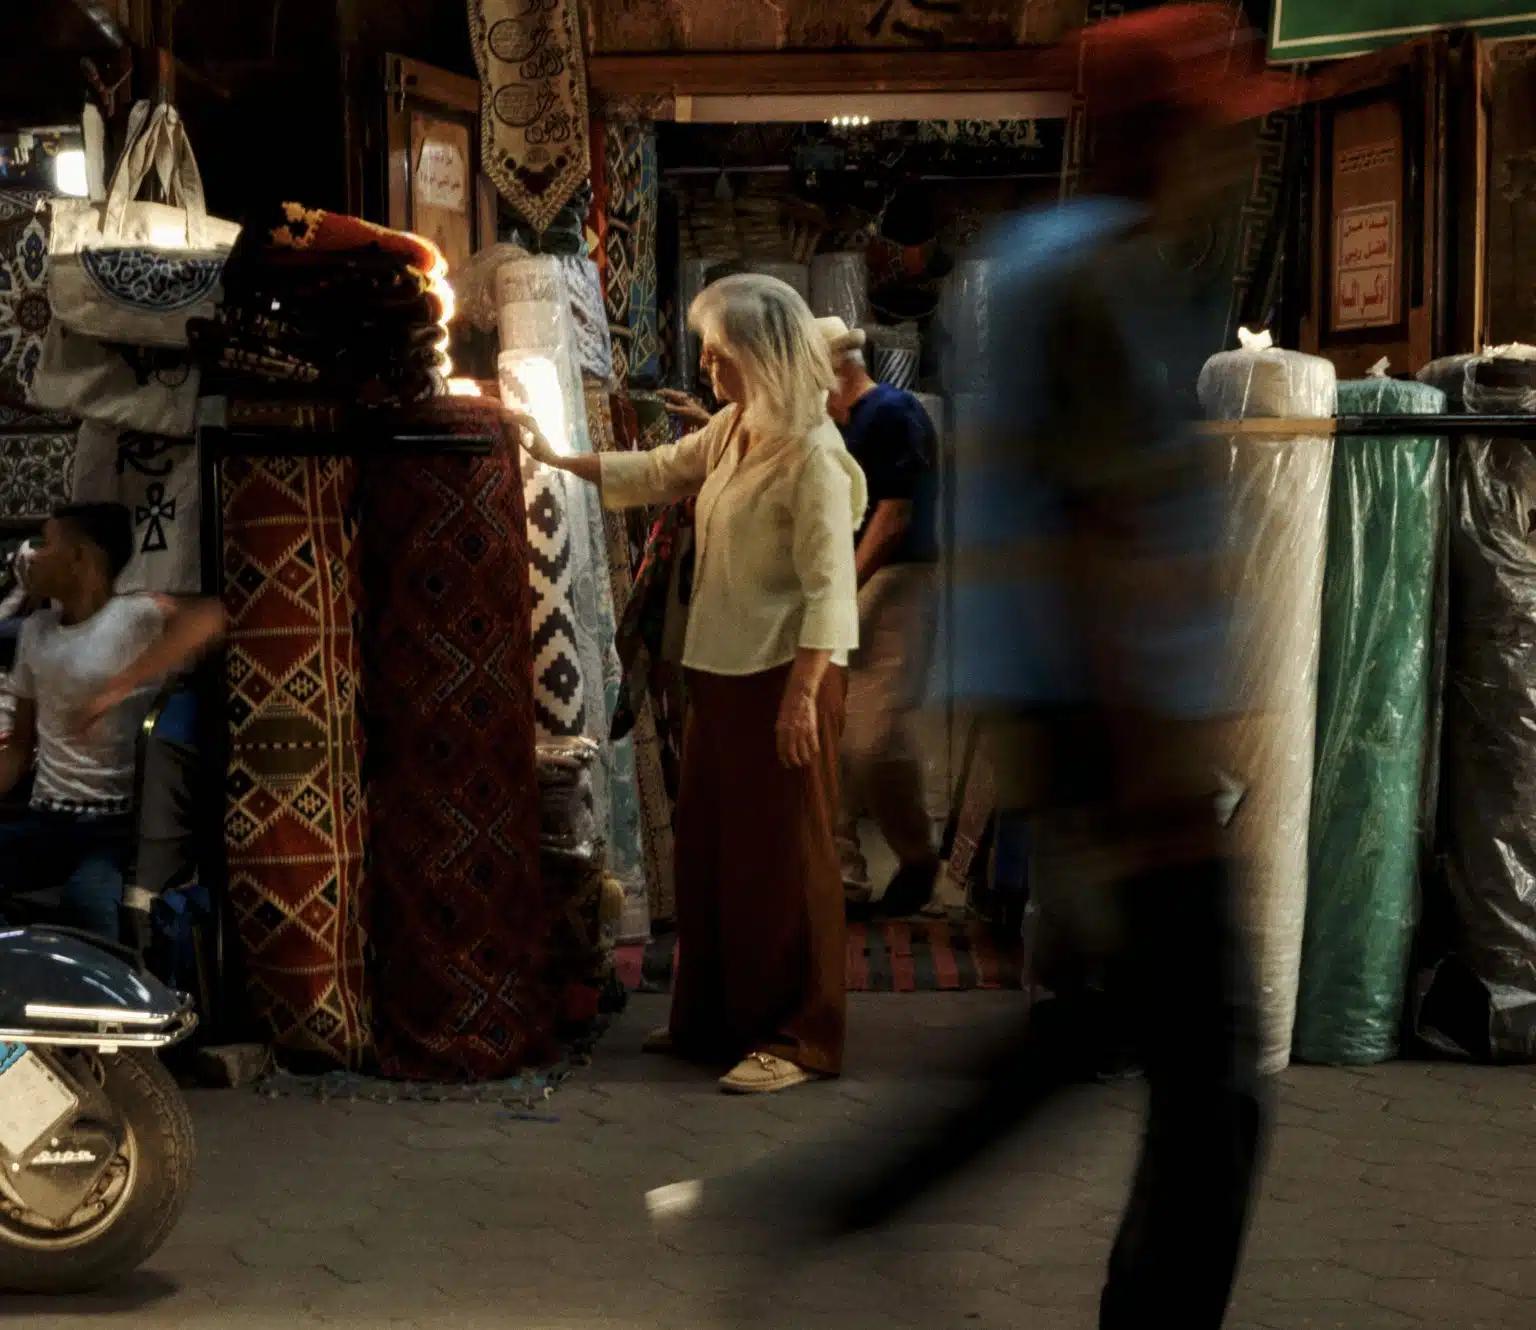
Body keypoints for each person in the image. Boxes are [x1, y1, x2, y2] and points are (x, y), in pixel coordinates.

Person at [522, 273, 867, 1095]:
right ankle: (713, 1018)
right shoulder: (738, 430)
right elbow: (660, 469)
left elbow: (831, 589)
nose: (708, 367)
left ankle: (799, 1034)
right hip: (722, 671)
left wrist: (801, 694)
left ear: (762, 357)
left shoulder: (812, 456)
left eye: (721, 354)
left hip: (788, 677)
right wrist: (549, 453)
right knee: (715, 847)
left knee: (789, 855)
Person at [0, 503, 226, 940]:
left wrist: (120, 686)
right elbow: (18, 747)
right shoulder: (35, 632)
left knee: (89, 905)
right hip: (47, 820)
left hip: (113, 831)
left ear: (79, 558)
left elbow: (213, 616)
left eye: (45, 543)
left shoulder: (135, 615)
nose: (27, 557)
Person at [817, 316, 941, 916]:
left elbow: (894, 516)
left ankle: (918, 857)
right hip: (853, 579)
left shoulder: (893, 410)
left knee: (873, 735)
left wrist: (845, 584)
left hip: (892, 579)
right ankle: (843, 879)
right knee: (834, 734)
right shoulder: (839, 420)